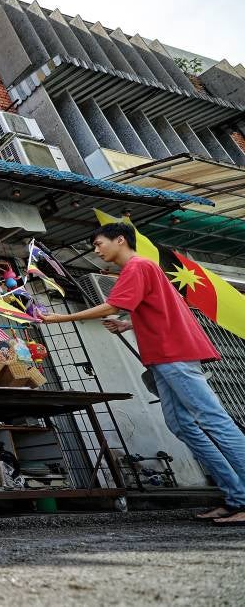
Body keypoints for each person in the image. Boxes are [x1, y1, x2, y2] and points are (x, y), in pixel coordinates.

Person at [40, 222, 245, 526]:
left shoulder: (137, 266)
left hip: (175, 353)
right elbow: (157, 310)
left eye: (99, 244)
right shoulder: (144, 269)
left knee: (212, 419)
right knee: (182, 426)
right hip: (164, 356)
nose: (96, 250)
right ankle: (236, 497)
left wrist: (60, 317)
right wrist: (127, 324)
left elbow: (111, 305)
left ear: (120, 239)